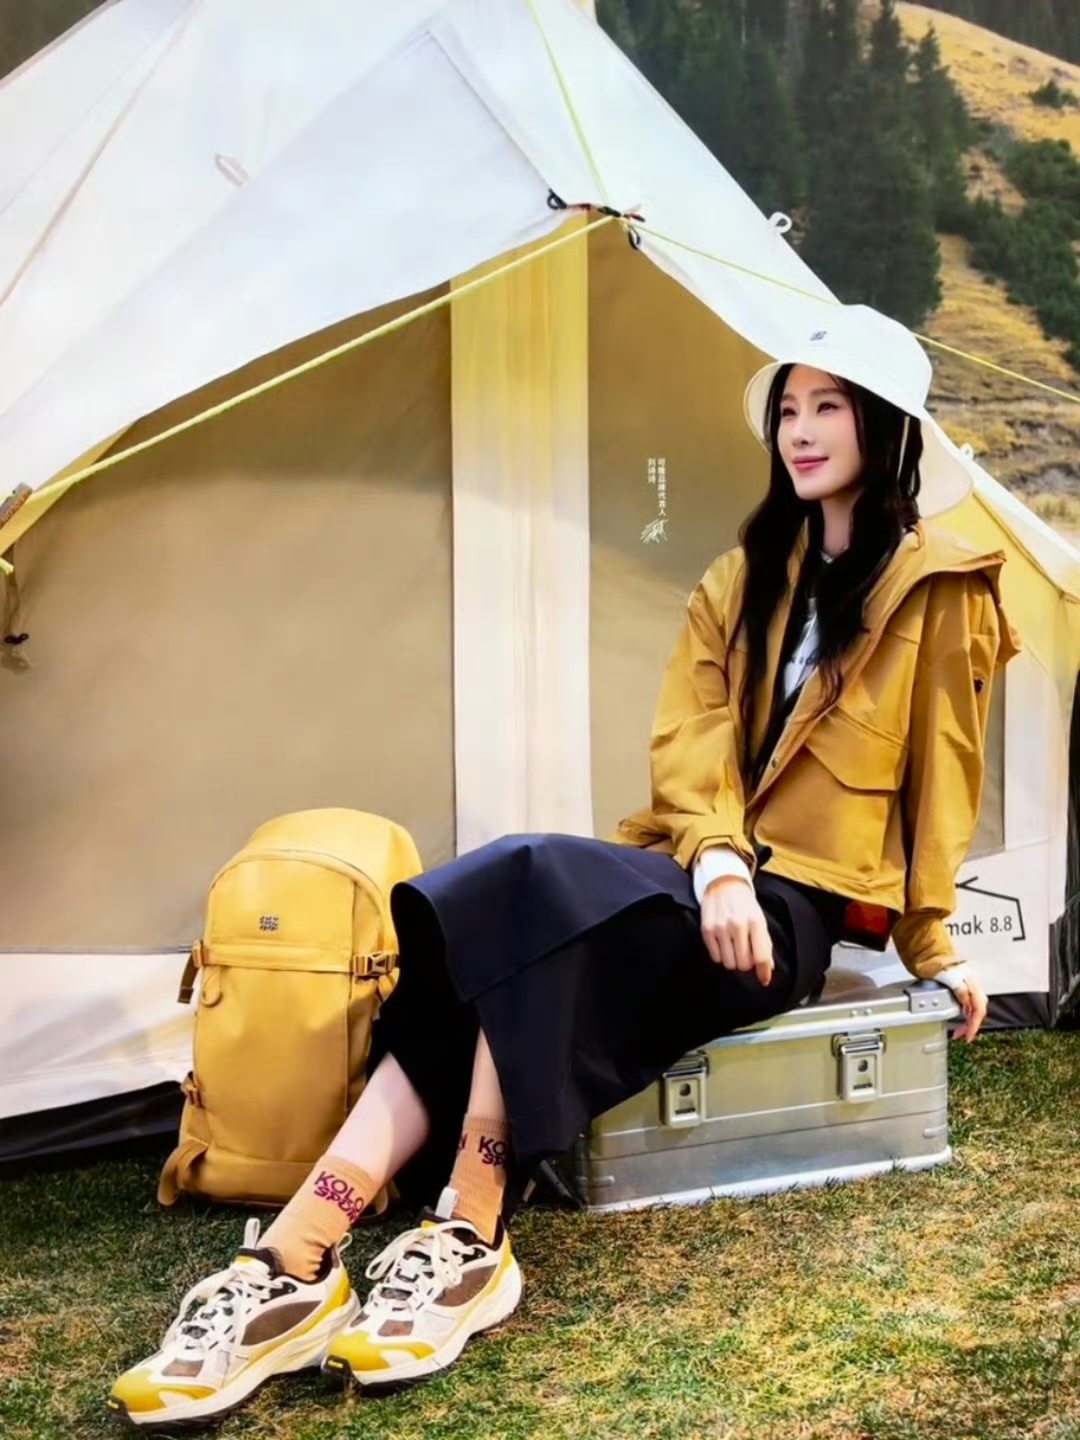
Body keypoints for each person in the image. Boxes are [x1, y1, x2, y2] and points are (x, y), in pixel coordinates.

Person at [108, 305, 1019, 1429]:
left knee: (533, 900)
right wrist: (718, 862)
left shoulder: (947, 589)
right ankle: (309, 1257)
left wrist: (932, 937)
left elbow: (945, 773)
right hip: (704, 874)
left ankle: (449, 1231)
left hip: (792, 915)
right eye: (789, 407)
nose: (799, 429)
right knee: (522, 899)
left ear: (884, 426)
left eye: (827, 406)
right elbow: (688, 743)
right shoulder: (741, 578)